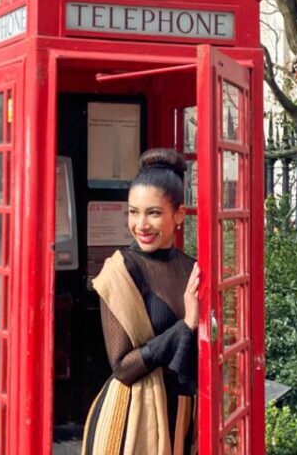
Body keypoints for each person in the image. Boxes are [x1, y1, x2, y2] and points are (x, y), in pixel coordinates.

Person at [82, 148, 200, 455]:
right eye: (133, 212)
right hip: (130, 421)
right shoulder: (121, 270)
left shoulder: (192, 268)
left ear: (179, 215)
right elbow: (123, 367)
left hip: (181, 416)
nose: (141, 225)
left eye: (154, 213)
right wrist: (186, 325)